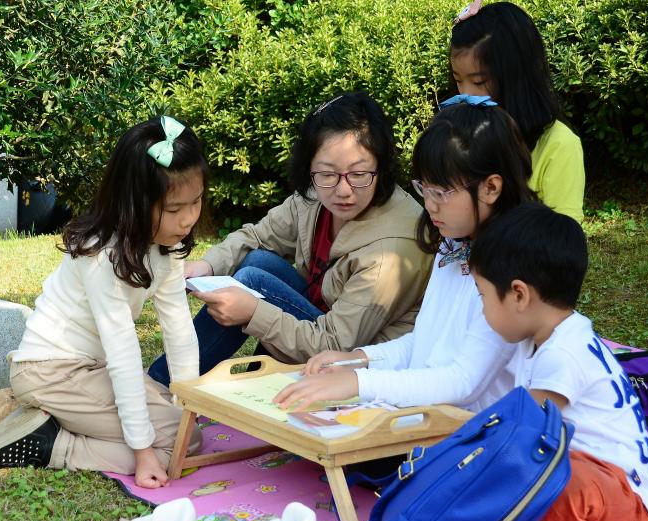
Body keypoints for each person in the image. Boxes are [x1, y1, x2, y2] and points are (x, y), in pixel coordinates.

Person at [0, 116, 205, 489]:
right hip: (50, 372)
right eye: (174, 210)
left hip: (92, 371)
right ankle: (52, 444)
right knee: (176, 446)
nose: (188, 219)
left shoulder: (167, 248)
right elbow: (122, 349)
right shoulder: (100, 254)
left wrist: (188, 404)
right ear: (135, 203)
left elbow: (179, 330)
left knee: (188, 431)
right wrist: (141, 453)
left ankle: (43, 419)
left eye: (197, 202)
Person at [147, 91, 431, 387]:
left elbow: (337, 344)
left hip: (359, 359)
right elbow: (257, 236)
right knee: (256, 261)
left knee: (254, 282)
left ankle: (161, 385)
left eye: (359, 173)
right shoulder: (314, 197)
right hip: (323, 320)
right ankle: (177, 383)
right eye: (327, 173)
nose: (343, 190)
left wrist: (253, 312)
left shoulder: (392, 250)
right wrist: (207, 265)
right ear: (309, 168)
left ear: (381, 167)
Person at [273, 97, 533, 413]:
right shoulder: (453, 243)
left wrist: (358, 382)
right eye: (425, 189)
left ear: (491, 188)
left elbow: (463, 382)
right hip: (431, 418)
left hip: (474, 436)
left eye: (441, 193)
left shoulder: (511, 269)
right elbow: (422, 342)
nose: (430, 205)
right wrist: (359, 359)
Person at [468, 201, 648, 521]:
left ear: (519, 296)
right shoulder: (536, 338)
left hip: (621, 499)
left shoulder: (563, 354)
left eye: (483, 296)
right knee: (534, 478)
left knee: (556, 481)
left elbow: (521, 437)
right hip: (589, 489)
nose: (482, 310)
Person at [450, 0, 585, 222]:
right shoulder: (461, 137)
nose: (466, 95)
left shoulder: (558, 146)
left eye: (479, 81)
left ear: (516, 78)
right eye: (458, 80)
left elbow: (563, 242)